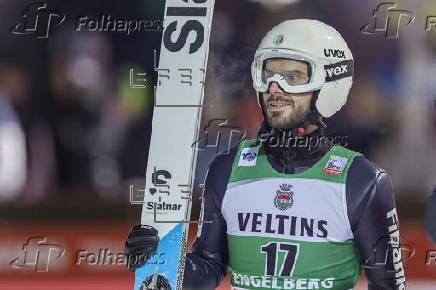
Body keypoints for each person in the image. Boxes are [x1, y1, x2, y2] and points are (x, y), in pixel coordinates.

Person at [125, 19, 406, 290]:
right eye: (268, 74)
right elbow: (209, 268)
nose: (274, 88)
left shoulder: (363, 181)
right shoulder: (226, 169)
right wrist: (162, 260)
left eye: (292, 76)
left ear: (329, 83)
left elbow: (389, 285)